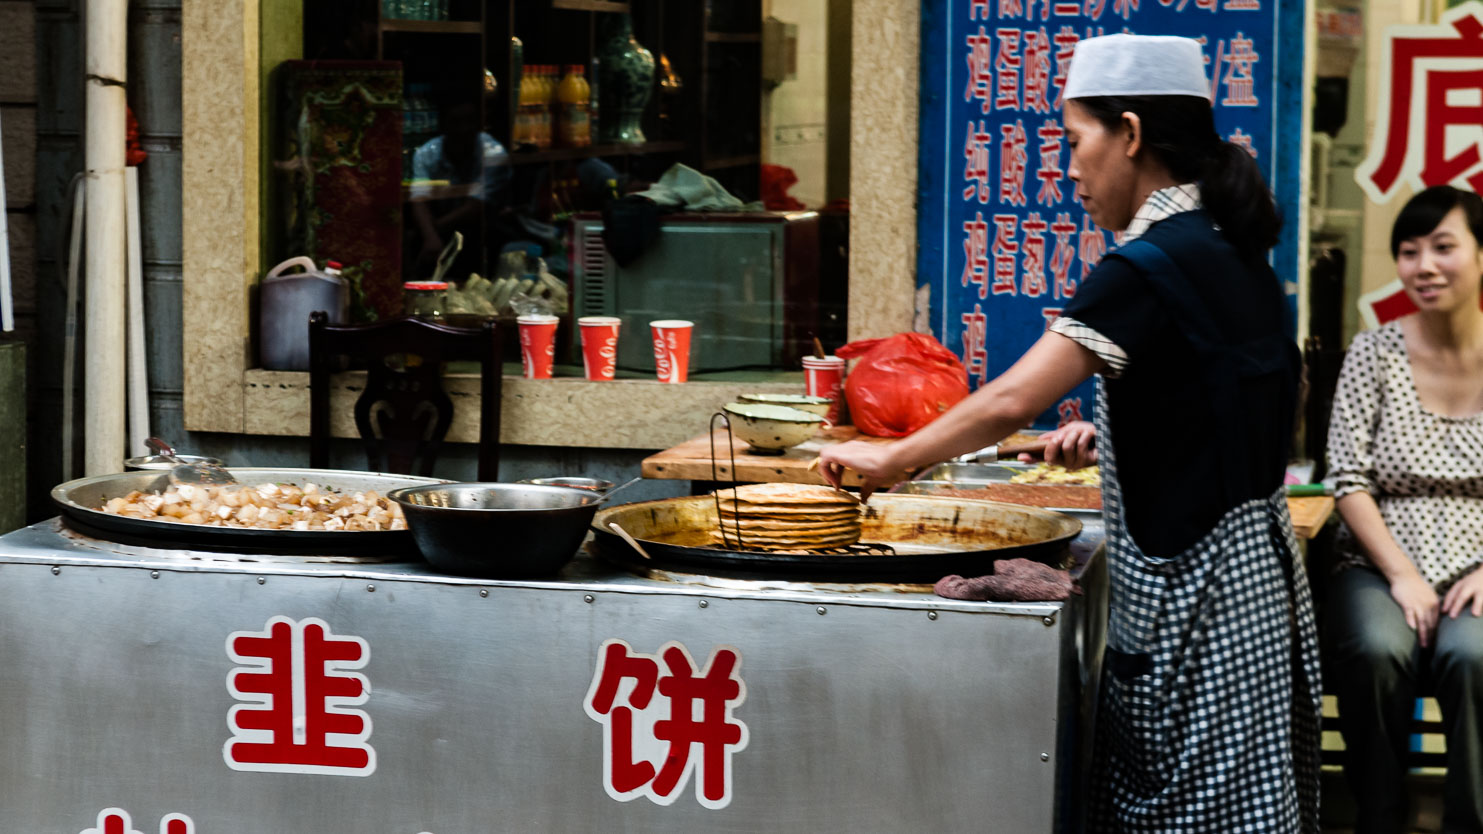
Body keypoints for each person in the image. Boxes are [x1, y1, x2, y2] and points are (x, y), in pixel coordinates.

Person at [818, 33, 1321, 829]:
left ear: (1128, 133)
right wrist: (1135, 427)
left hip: (1192, 610)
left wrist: (891, 459)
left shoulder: (1148, 266)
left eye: (1074, 141)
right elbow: (1254, 398)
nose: (1066, 168)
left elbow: (1008, 401)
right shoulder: (1238, 249)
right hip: (1253, 595)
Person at [1324, 184, 1483, 834]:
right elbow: (1346, 479)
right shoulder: (1374, 351)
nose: (1423, 266)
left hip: (1476, 566)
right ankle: (1378, 816)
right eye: (1408, 250)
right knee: (1373, 649)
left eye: (1442, 247)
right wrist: (1401, 576)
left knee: (1472, 657)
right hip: (1375, 560)